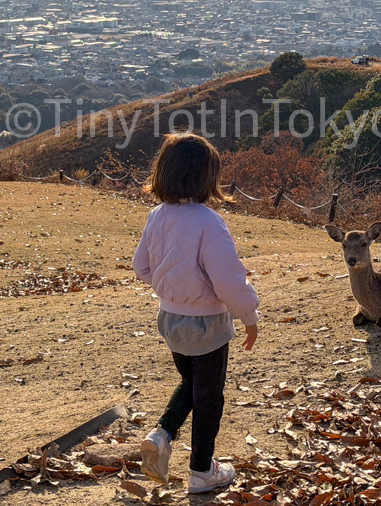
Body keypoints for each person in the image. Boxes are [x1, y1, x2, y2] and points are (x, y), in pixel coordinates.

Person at [132, 132, 259, 493]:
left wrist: (170, 288)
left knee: (191, 383)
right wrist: (249, 316)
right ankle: (203, 472)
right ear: (207, 177)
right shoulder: (209, 222)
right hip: (207, 324)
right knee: (209, 395)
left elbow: (140, 266)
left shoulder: (157, 216)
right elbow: (229, 281)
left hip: (170, 320)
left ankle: (161, 434)